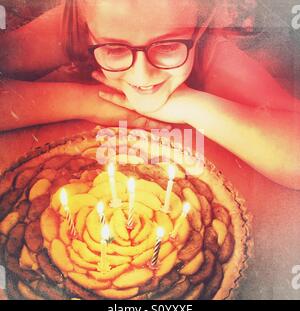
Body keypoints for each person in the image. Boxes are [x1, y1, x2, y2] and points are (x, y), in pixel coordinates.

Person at [0, 0, 299, 190]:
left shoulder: (211, 53)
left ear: (201, 28)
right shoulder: (72, 29)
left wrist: (189, 105)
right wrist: (85, 100)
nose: (142, 76)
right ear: (87, 30)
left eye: (168, 47)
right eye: (114, 48)